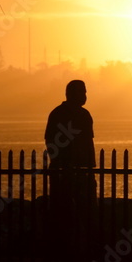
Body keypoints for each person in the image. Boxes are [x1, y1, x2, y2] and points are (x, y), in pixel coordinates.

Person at [44, 80, 96, 234]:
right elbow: (51, 140)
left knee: (80, 211)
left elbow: (88, 142)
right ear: (71, 94)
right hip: (66, 171)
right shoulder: (61, 114)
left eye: (85, 92)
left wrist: (90, 166)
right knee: (66, 211)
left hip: (78, 170)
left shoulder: (82, 114)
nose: (85, 95)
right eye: (81, 92)